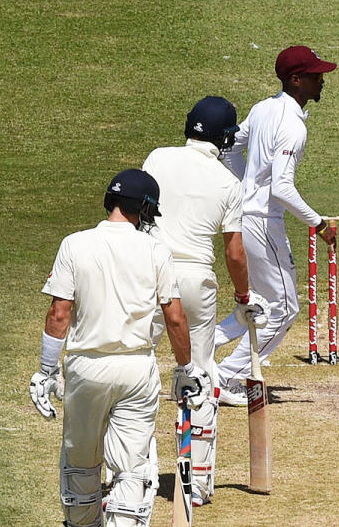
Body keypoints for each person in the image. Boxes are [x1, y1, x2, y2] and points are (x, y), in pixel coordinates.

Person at [29, 169, 210, 527]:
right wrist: (187, 369)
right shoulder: (155, 249)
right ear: (143, 208)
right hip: (135, 369)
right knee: (131, 467)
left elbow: (59, 314)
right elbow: (174, 317)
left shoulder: (74, 244)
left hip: (85, 368)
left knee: (80, 462)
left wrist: (47, 370)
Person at [141, 96, 268, 506]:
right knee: (200, 373)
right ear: (227, 139)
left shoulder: (157, 158)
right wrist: (245, 298)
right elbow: (234, 252)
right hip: (195, 282)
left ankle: (136, 476)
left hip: (149, 273)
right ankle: (196, 483)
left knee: (138, 369)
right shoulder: (228, 184)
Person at [213, 45, 337, 406]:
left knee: (262, 304)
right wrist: (319, 224)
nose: (322, 81)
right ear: (296, 80)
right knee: (285, 309)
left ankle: (206, 347)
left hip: (246, 216)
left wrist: (244, 186)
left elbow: (230, 148)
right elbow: (282, 187)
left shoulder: (262, 108)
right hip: (264, 222)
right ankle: (224, 377)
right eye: (315, 76)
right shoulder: (293, 127)